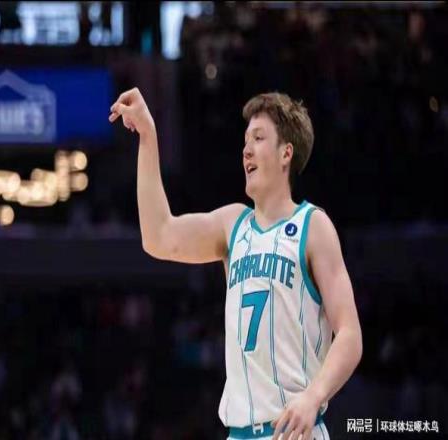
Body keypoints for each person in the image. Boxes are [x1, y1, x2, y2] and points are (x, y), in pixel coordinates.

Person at [109, 88, 362, 440]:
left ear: (286, 153)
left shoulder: (313, 226)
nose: (246, 150)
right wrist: (148, 136)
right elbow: (158, 237)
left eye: (258, 138)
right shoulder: (233, 225)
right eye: (245, 141)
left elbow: (349, 334)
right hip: (239, 433)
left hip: (294, 431)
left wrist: (313, 397)